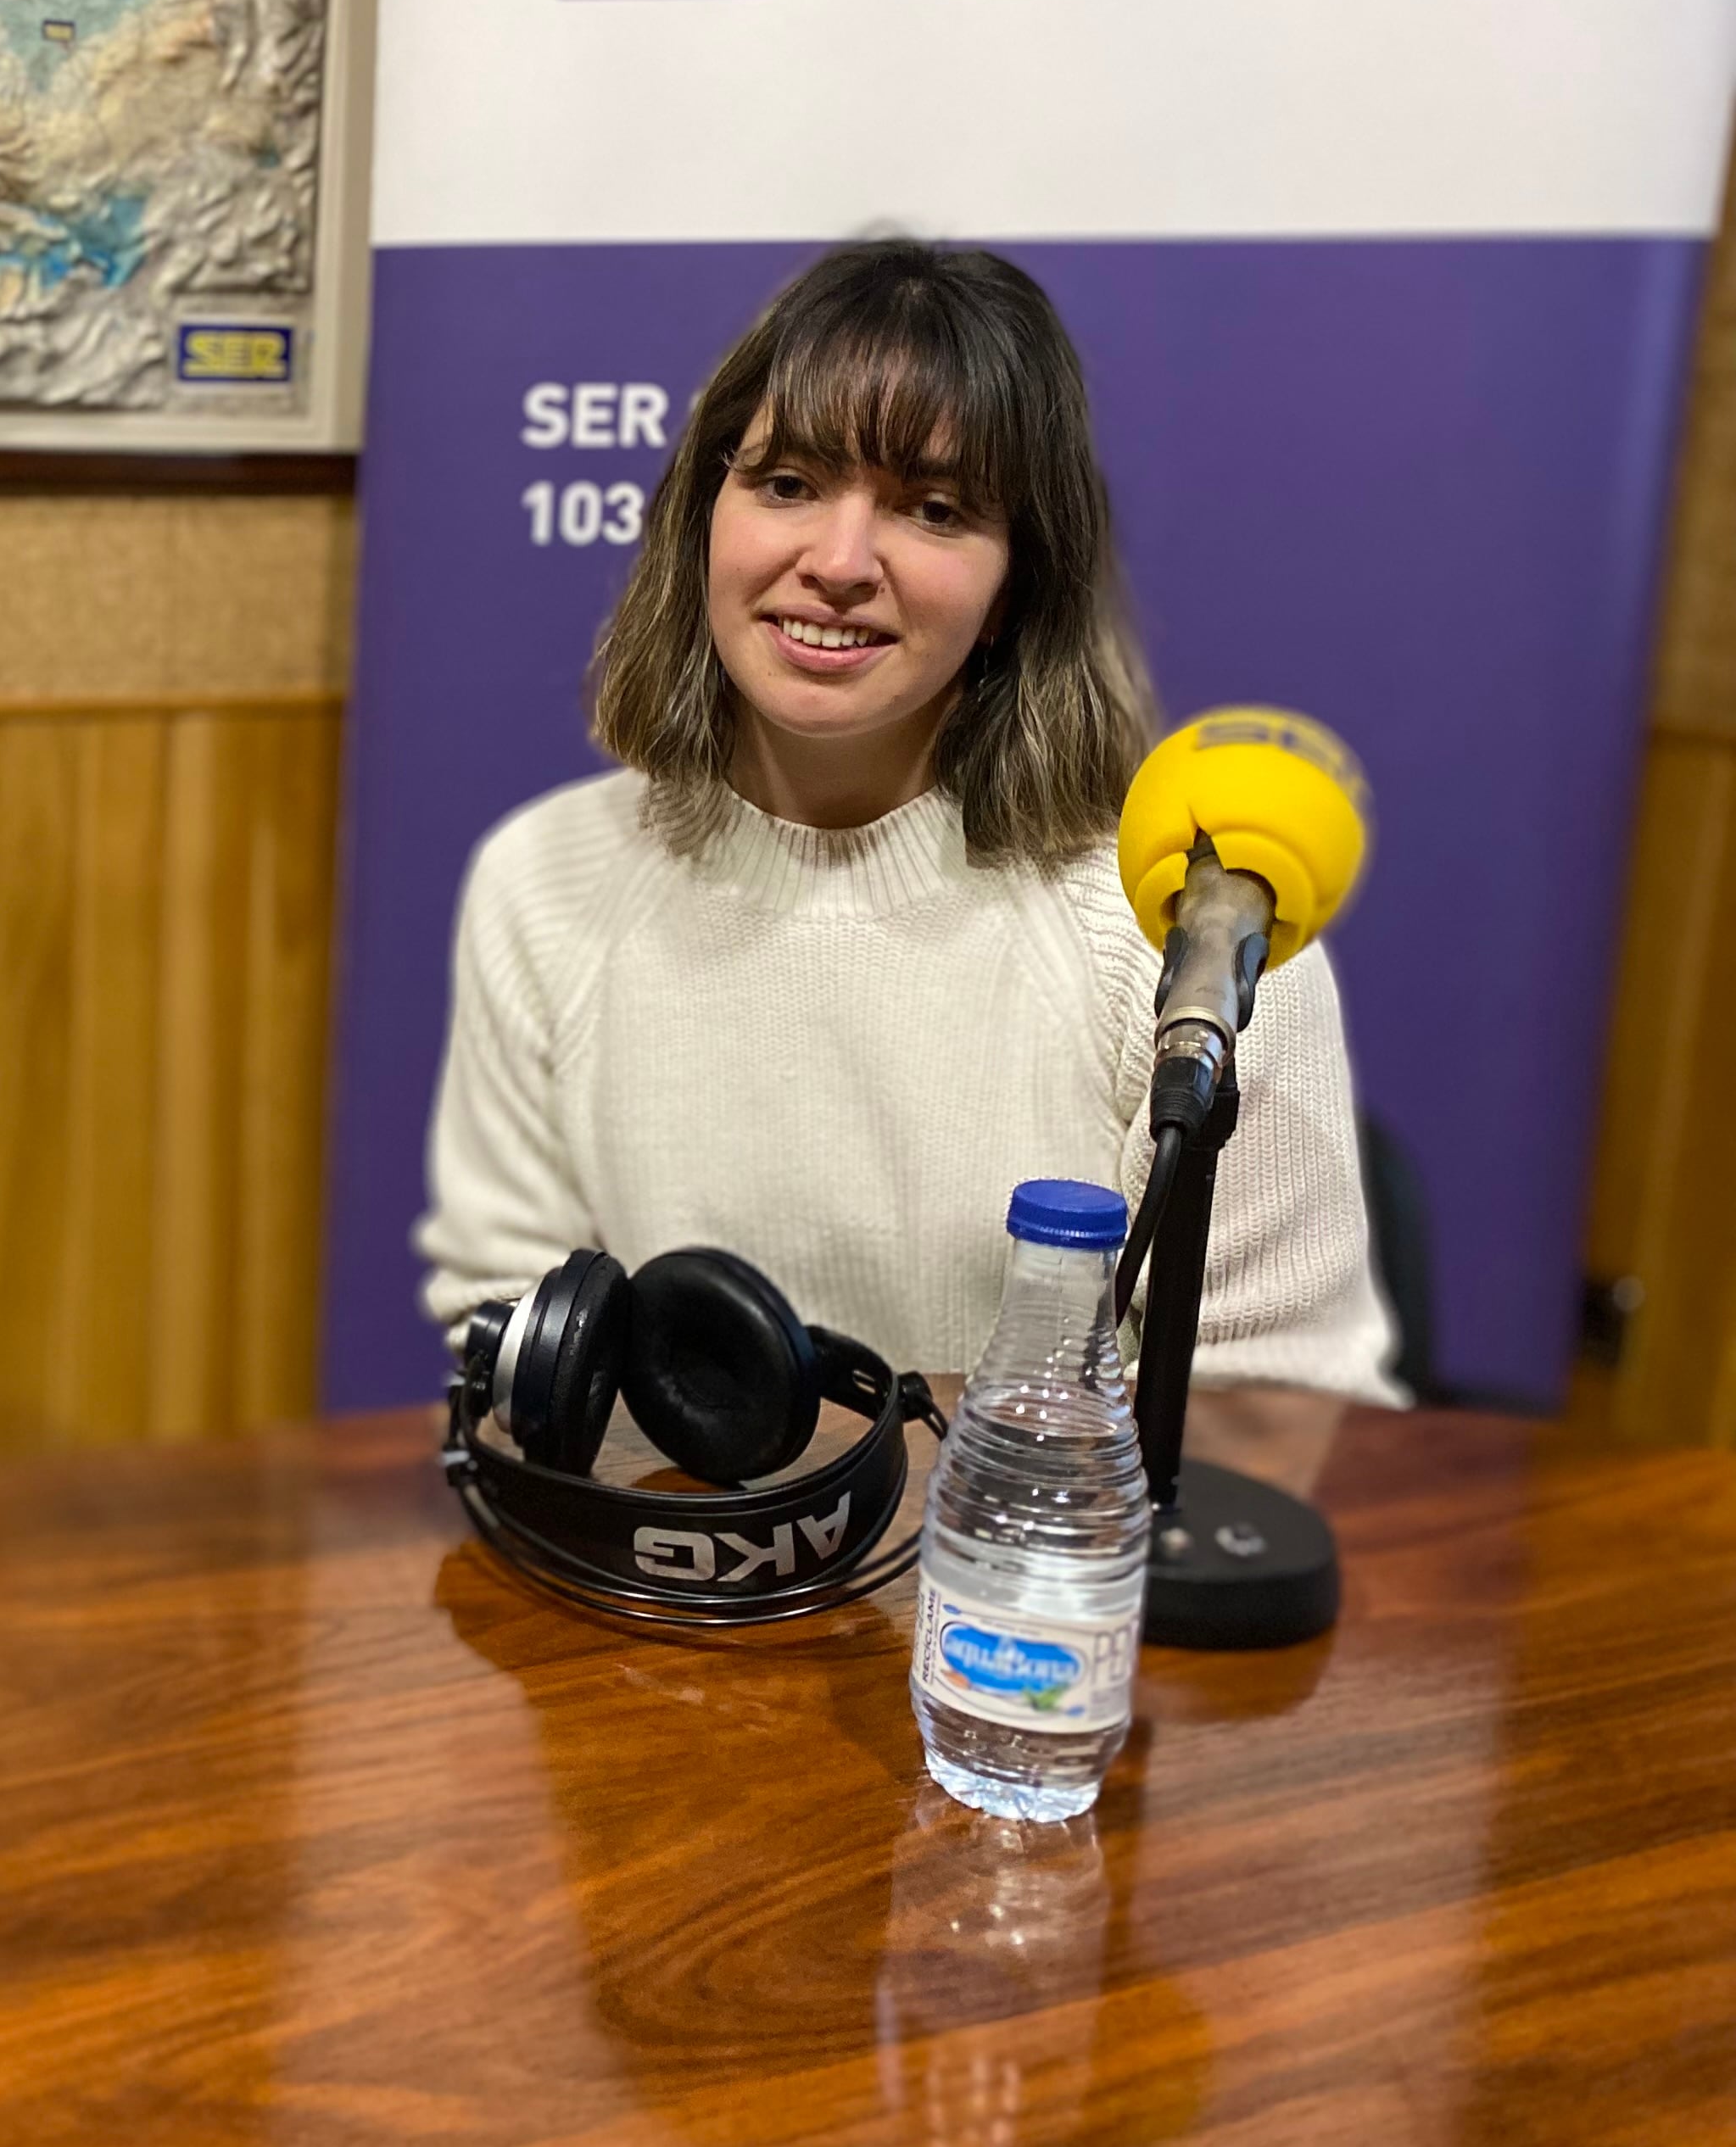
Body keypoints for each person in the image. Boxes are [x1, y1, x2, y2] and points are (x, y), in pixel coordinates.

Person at [418, 241, 1400, 1404]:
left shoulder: (1199, 933)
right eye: (786, 484)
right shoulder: (546, 881)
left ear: (1013, 591)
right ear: (702, 517)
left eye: (932, 510)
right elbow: (516, 1345)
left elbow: (1271, 1410)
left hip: (1042, 1577)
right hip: (675, 1576)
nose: (837, 563)